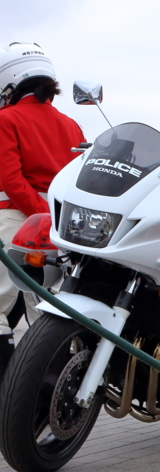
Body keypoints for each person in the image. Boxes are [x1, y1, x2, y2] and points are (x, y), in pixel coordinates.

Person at [0, 43, 85, 377]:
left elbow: (10, 179)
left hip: (16, 220)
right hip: (59, 227)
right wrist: (55, 220)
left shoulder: (6, 119)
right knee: (47, 311)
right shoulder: (72, 125)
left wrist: (39, 215)